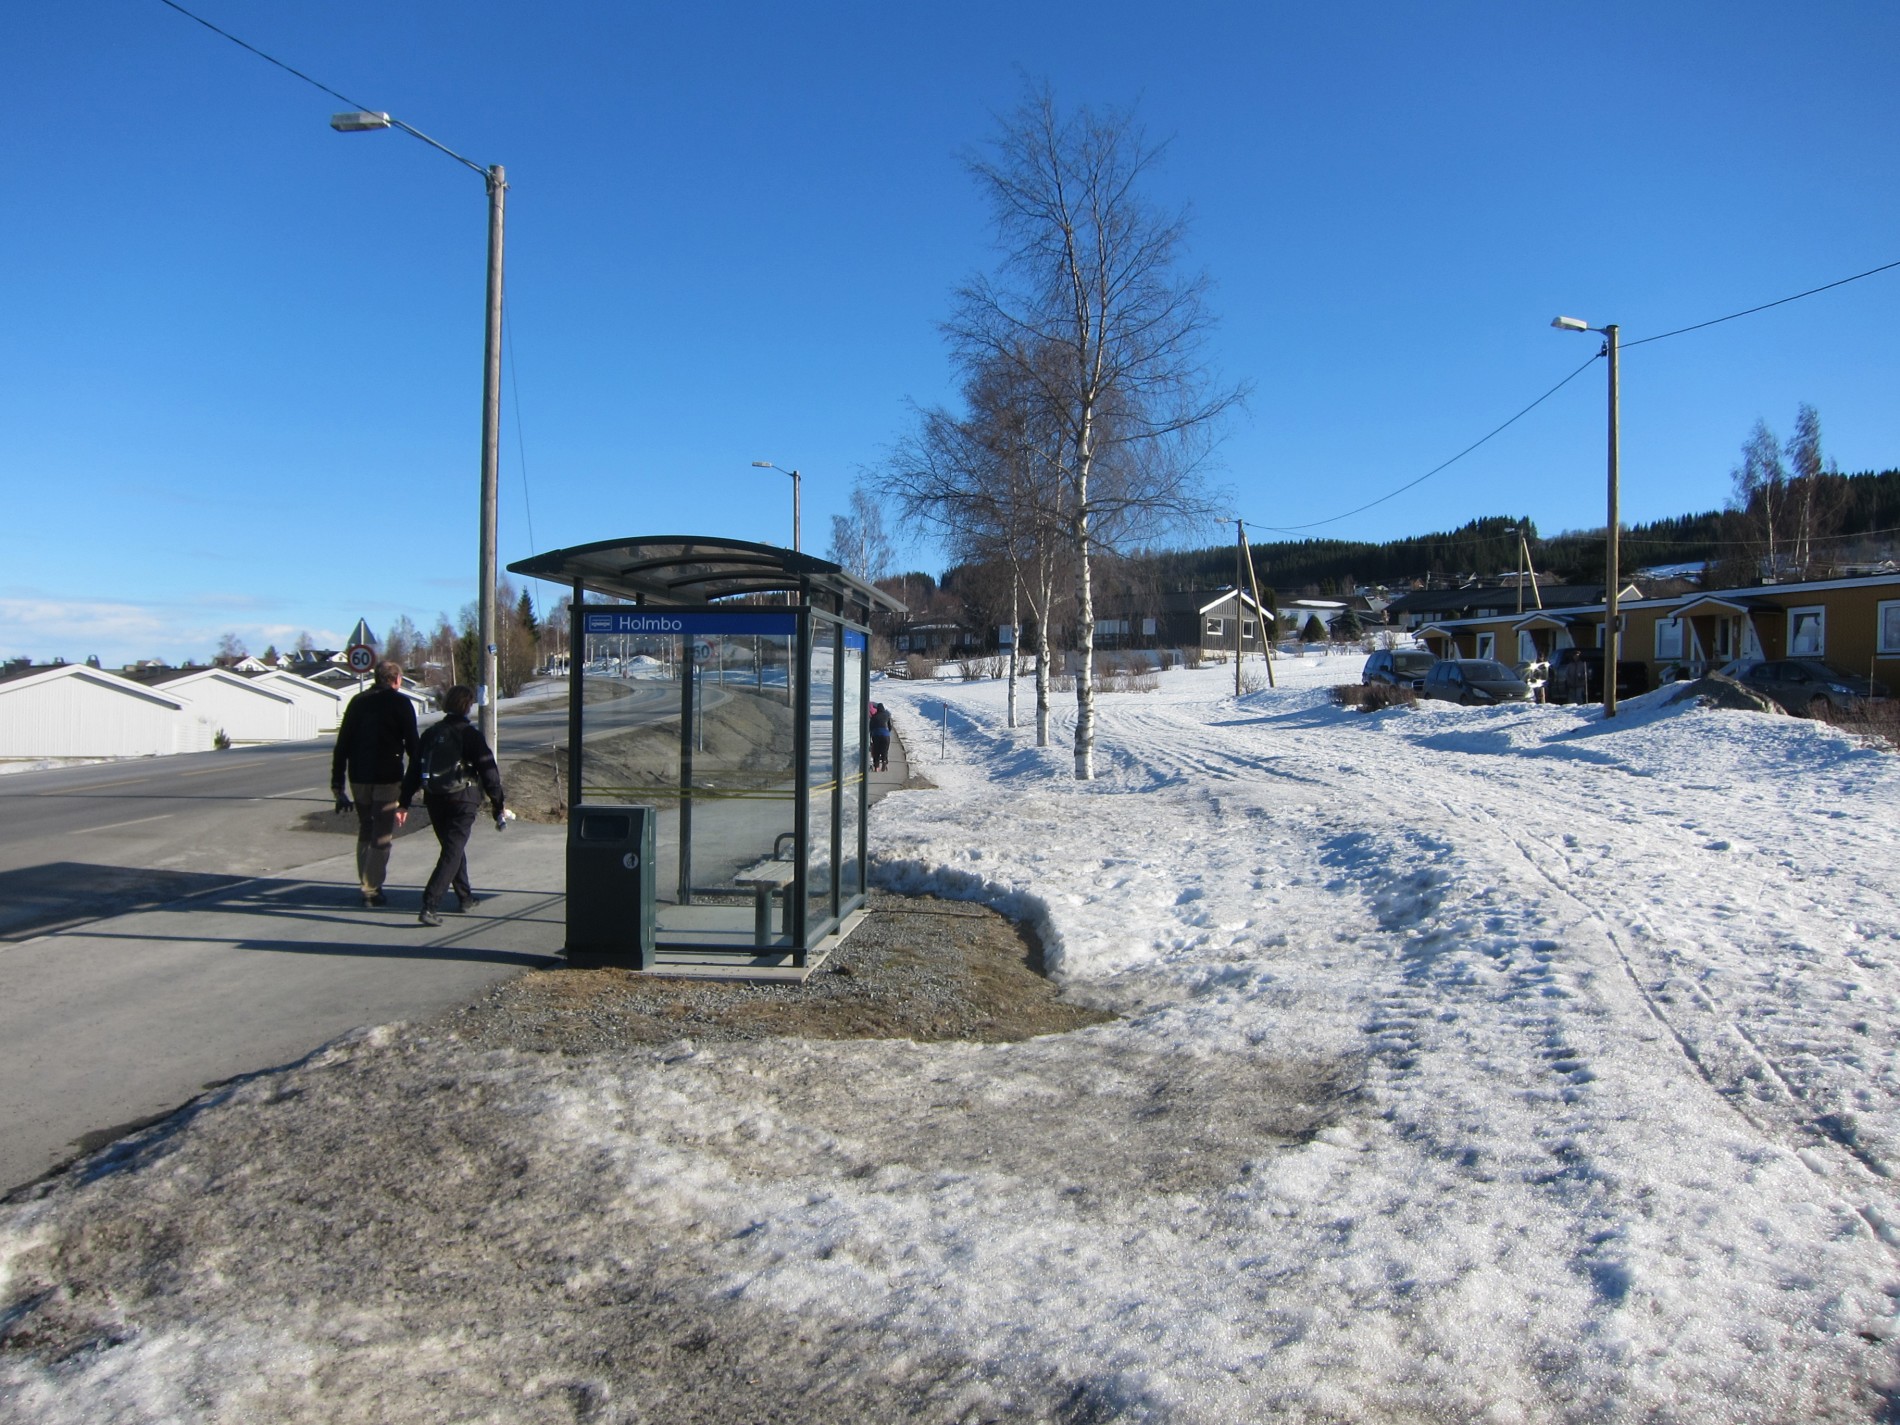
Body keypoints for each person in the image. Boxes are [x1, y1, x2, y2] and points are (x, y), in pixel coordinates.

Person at [402, 684, 506, 928]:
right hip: (463, 799)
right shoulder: (470, 735)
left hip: (435, 799)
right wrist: (497, 802)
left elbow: (414, 770)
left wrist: (403, 802)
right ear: (467, 706)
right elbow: (489, 772)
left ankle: (465, 897)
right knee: (452, 851)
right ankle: (430, 903)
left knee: (452, 849)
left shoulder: (431, 734)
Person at [330, 659, 420, 907]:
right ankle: (371, 888)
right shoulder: (401, 703)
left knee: (365, 827)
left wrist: (338, 784)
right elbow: (413, 745)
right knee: (382, 833)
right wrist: (417, 780)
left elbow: (343, 745)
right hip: (387, 776)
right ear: (397, 680)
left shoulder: (357, 702)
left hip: (358, 775)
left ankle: (366, 881)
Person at [868, 700, 893, 773]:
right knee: (884, 750)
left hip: (876, 735)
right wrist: (888, 732)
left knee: (876, 751)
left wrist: (871, 737)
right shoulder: (887, 716)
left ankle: (876, 767)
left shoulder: (874, 717)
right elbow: (890, 726)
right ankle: (884, 762)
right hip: (885, 735)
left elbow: (870, 728)